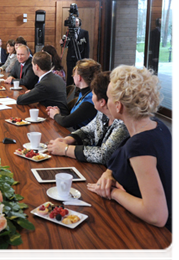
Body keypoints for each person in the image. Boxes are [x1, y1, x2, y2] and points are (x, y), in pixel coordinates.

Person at [87, 65, 176, 236]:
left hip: (158, 236)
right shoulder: (157, 127)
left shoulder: (139, 146)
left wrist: (113, 193)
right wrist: (109, 174)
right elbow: (122, 158)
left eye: (109, 97)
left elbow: (157, 215)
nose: (107, 101)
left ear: (118, 106)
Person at [47, 71, 129, 164]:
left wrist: (65, 149)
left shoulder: (123, 123)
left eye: (93, 94)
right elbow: (88, 130)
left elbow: (103, 155)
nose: (91, 97)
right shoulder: (102, 113)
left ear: (102, 102)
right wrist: (67, 139)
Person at [47, 59, 101, 130]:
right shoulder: (85, 93)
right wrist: (58, 113)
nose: (72, 76)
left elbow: (66, 122)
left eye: (74, 74)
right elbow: (74, 117)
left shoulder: (90, 100)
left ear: (79, 77)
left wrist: (55, 115)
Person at [60, 17, 89, 86]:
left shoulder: (84, 33)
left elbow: (87, 46)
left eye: (77, 22)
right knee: (70, 74)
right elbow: (66, 45)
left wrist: (86, 59)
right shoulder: (68, 32)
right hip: (70, 57)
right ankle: (69, 89)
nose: (75, 23)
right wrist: (62, 42)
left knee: (80, 73)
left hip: (80, 56)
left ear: (79, 23)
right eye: (74, 22)